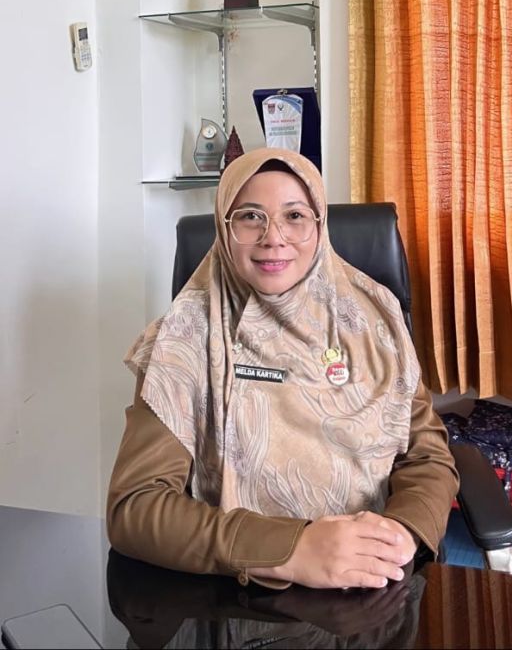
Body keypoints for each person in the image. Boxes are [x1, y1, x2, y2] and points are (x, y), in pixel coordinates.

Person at [107, 149, 458, 590]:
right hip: (244, 592)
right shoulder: (184, 339)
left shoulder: (376, 316)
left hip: (376, 581)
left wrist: (401, 532)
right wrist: (291, 550)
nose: (273, 237)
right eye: (250, 217)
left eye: (294, 216)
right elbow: (135, 508)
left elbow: (426, 454)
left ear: (320, 224)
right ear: (224, 227)